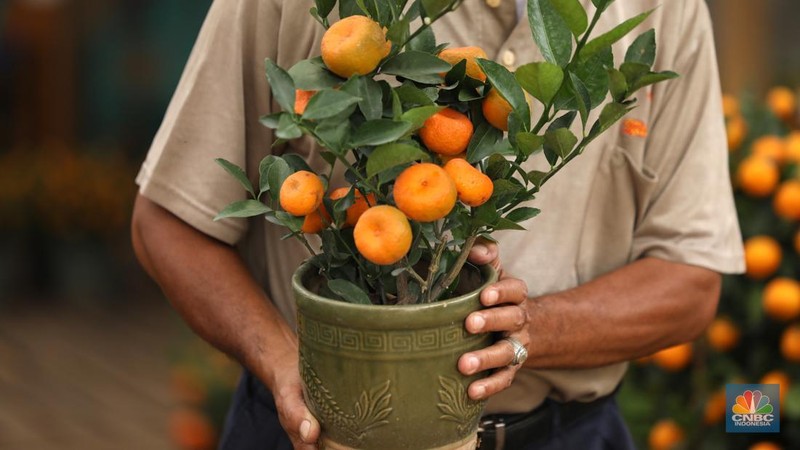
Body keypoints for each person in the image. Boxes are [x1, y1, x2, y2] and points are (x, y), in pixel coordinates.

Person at [131, 0, 744, 449]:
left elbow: (691, 279)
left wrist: (531, 329)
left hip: (563, 436)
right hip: (323, 434)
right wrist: (283, 358)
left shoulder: (664, 11)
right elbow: (168, 220)